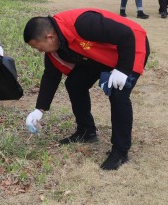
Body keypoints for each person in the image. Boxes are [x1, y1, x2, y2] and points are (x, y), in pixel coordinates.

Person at [23, 9, 150, 170]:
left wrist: (123, 69)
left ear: (49, 37)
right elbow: (50, 76)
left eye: (38, 47)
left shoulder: (83, 23)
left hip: (130, 46)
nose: (40, 51)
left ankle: (120, 151)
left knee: (118, 94)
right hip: (99, 55)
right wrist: (39, 109)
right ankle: (86, 131)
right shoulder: (55, 45)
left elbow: (125, 34)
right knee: (75, 83)